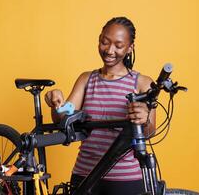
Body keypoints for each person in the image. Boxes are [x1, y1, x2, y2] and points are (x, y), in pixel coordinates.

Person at [45, 17, 156, 195]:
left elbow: (150, 132)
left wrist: (143, 120)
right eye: (105, 42)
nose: (110, 50)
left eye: (118, 46)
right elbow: (64, 117)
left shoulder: (142, 83)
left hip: (125, 179)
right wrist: (55, 103)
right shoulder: (86, 79)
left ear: (130, 48)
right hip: (85, 175)